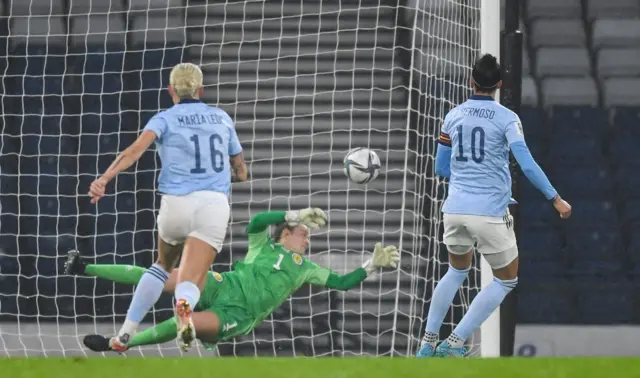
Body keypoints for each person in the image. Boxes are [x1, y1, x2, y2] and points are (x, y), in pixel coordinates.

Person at [70, 208, 400, 353]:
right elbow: (256, 222)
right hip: (224, 283)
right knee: (165, 276)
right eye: (302, 233)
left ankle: (122, 343)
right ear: (285, 233)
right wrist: (294, 214)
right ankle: (85, 268)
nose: (307, 239)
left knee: (188, 320)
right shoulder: (263, 245)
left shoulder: (305, 268)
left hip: (239, 314)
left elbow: (341, 283)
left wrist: (370, 265)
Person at [416, 54, 572, 358]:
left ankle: (428, 341)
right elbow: (525, 164)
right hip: (488, 212)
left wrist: (468, 178)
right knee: (506, 279)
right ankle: (456, 342)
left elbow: (441, 167)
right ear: (499, 84)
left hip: (455, 209)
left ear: (470, 81)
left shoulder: (453, 116)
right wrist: (555, 198)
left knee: (456, 271)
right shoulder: (507, 119)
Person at [86, 63, 248, 351]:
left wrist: (104, 178)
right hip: (213, 204)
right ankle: (184, 308)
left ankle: (124, 335)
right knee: (192, 277)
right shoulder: (222, 118)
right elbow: (241, 171)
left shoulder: (164, 118)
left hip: (176, 204)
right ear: (201, 90)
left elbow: (134, 151)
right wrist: (224, 176)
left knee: (162, 267)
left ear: (171, 90)